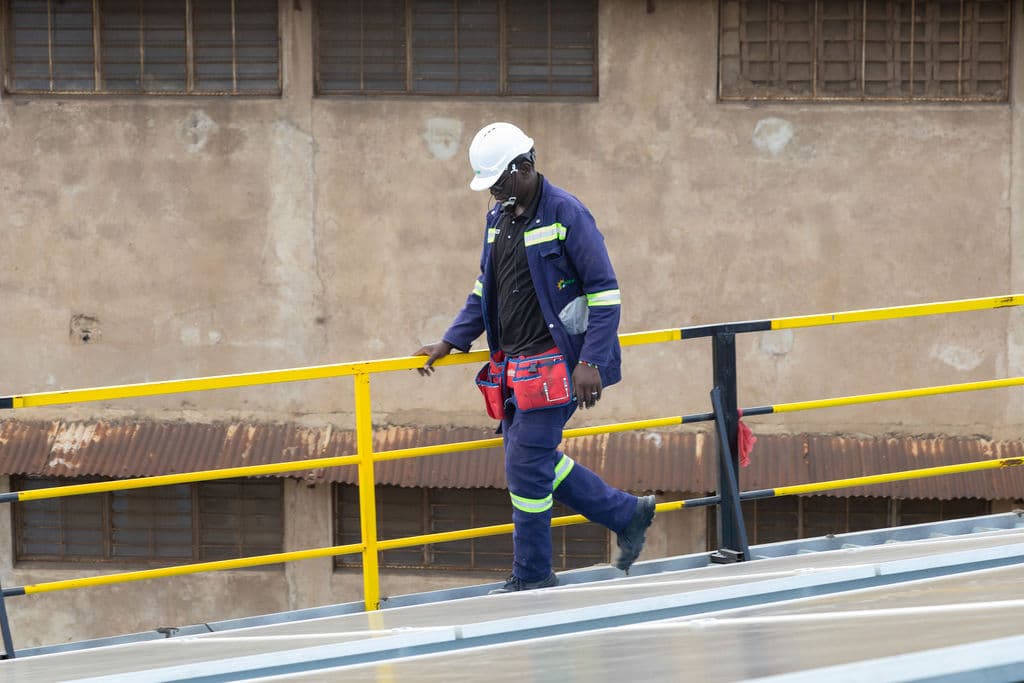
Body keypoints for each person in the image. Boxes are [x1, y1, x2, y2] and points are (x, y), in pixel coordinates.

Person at [414, 122, 655, 593]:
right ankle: (627, 514)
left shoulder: (567, 213)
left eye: (500, 183)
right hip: (516, 366)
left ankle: (533, 574)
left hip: (561, 364)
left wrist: (591, 362)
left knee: (524, 463)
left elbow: (604, 292)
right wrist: (450, 341)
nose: (496, 194)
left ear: (524, 167)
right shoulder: (498, 219)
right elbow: (486, 288)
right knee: (530, 457)